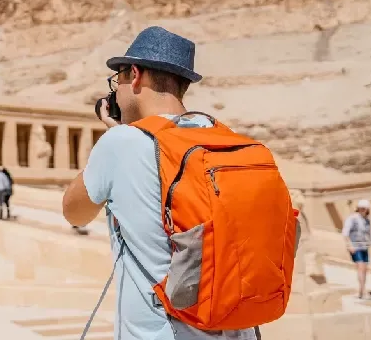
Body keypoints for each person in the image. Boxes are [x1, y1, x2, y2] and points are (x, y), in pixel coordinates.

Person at [62, 27, 262, 340]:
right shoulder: (221, 136)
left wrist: (114, 135)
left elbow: (74, 213)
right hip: (239, 329)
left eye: (119, 80)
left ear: (136, 75)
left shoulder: (121, 143)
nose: (118, 91)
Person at [342, 199, 371, 299]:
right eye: (361, 209)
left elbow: (370, 234)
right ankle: (363, 291)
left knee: (365, 269)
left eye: (364, 209)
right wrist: (349, 245)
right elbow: (345, 233)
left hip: (364, 247)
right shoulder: (352, 218)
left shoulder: (367, 220)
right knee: (361, 268)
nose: (362, 210)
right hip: (355, 247)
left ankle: (361, 291)